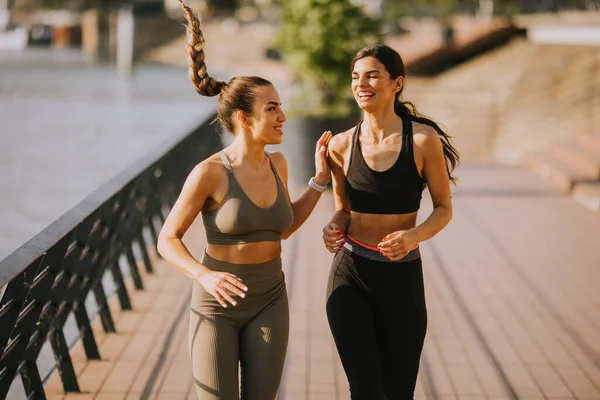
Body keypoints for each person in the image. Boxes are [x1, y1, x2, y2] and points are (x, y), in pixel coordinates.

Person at [157, 2, 332, 399]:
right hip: (216, 304)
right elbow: (167, 239)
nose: (283, 116)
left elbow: (282, 228)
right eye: (272, 108)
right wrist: (204, 275)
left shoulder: (279, 164)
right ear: (242, 118)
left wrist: (319, 182)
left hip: (271, 297)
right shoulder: (210, 173)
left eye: (281, 107)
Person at [321, 44, 460, 399]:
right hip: (350, 273)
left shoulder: (422, 140)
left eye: (371, 75)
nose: (361, 83)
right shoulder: (340, 145)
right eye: (355, 76)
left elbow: (444, 208)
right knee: (365, 389)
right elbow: (343, 209)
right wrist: (333, 227)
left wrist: (413, 236)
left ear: (397, 83)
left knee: (398, 391)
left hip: (401, 279)